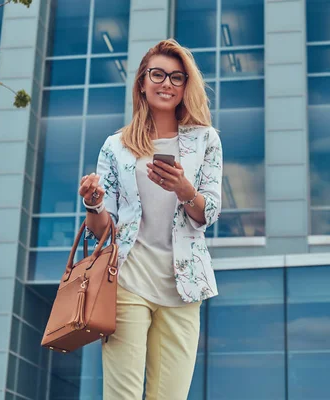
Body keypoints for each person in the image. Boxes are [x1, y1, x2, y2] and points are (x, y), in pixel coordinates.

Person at [78, 38, 223, 400]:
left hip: (184, 287)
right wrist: (94, 204)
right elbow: (101, 230)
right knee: (122, 395)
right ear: (142, 82)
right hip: (127, 281)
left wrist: (185, 189)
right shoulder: (117, 145)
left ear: (185, 86)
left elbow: (210, 212)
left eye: (176, 77)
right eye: (157, 74)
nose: (166, 83)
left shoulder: (205, 140)